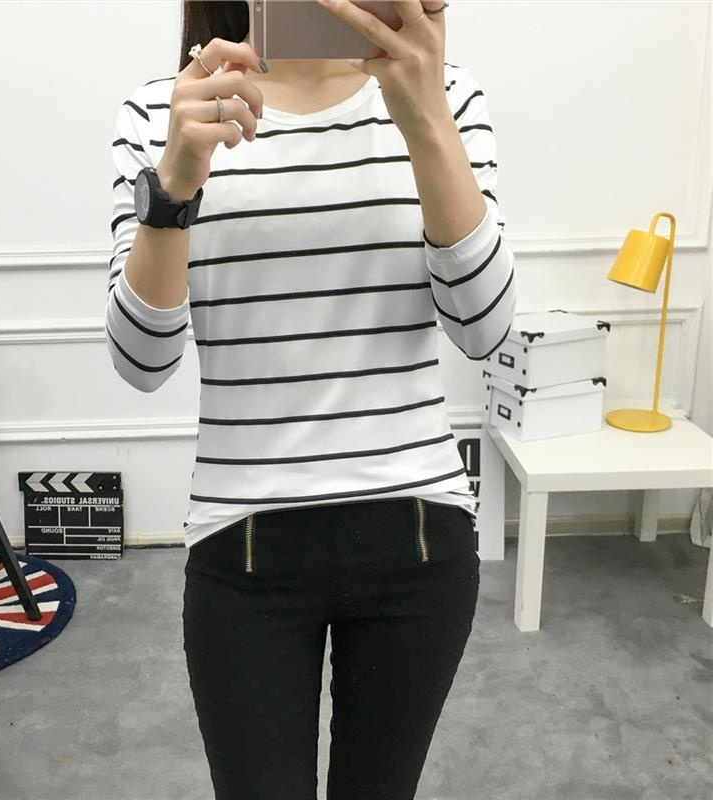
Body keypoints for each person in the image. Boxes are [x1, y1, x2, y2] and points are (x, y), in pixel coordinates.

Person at [105, 1, 516, 797]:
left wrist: (425, 117)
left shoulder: (446, 93)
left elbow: (483, 327)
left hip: (418, 537)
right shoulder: (167, 109)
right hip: (242, 546)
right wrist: (176, 185)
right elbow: (142, 360)